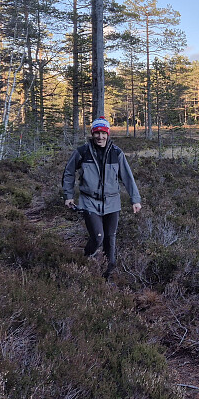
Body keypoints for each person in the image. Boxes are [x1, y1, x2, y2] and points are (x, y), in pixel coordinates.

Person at [62, 117, 142, 279]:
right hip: (89, 201)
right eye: (97, 133)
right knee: (98, 237)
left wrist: (135, 199)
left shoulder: (116, 153)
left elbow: (127, 176)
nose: (100, 137)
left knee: (110, 241)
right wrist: (68, 195)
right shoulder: (82, 152)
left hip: (112, 202)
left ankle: (107, 275)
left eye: (103, 133)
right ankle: (85, 259)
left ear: (108, 134)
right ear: (92, 133)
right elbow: (69, 172)